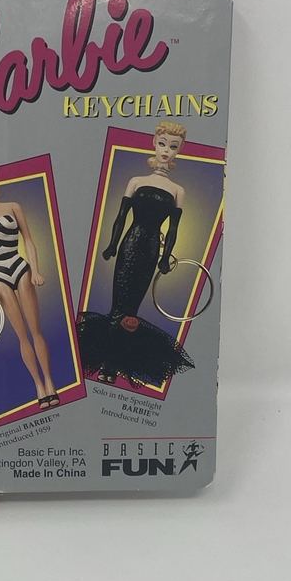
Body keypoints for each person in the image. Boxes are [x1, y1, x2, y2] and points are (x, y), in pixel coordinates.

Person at [77, 121, 195, 386]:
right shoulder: (136, 181)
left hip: (151, 250)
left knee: (131, 311)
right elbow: (121, 217)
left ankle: (112, 365)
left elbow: (173, 229)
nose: (166, 151)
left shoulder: (178, 191)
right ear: (154, 142)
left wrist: (165, 257)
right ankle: (109, 365)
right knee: (118, 306)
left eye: (173, 147)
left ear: (179, 150)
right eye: (162, 143)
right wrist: (112, 244)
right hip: (130, 244)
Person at [0, 152, 59, 410]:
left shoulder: (13, 207)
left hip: (19, 266)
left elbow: (28, 240)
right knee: (22, 336)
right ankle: (38, 386)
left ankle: (50, 382)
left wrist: (35, 270)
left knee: (35, 330)